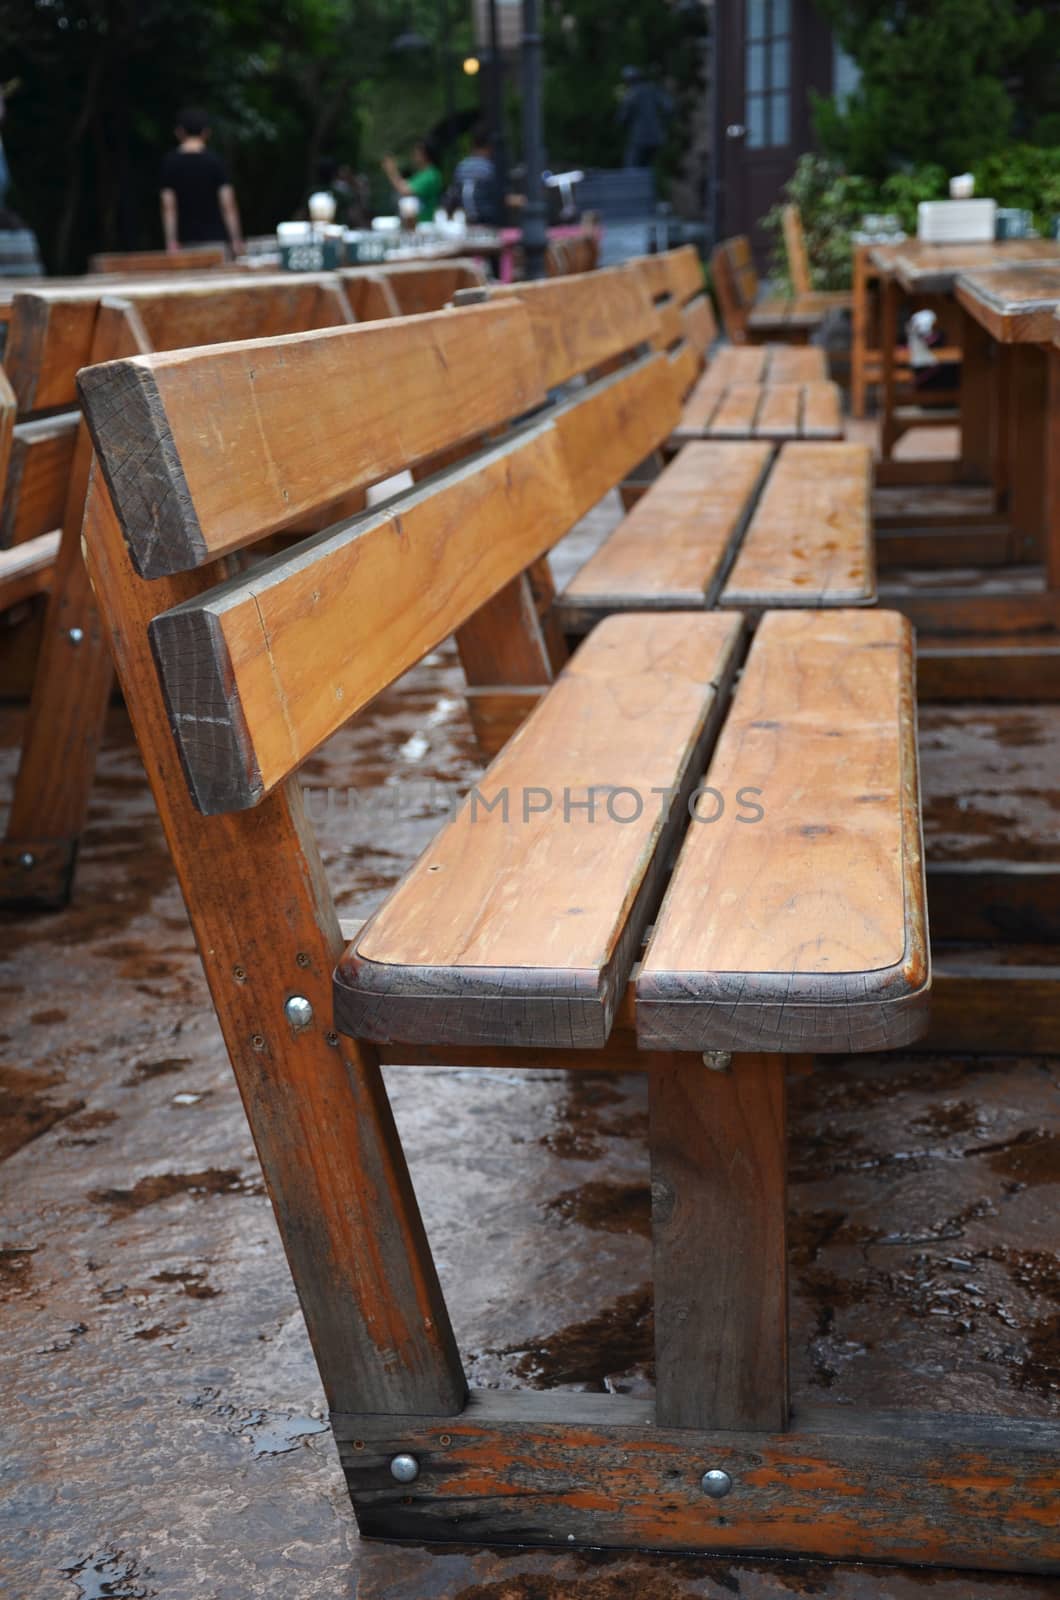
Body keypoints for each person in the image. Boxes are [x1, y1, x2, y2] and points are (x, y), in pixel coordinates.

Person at [160, 108, 244, 257]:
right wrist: (236, 240)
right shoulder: (215, 161)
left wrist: (171, 242)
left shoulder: (170, 163)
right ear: (206, 132)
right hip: (216, 243)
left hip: (184, 244)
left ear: (179, 132)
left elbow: (169, 207)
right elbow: (228, 205)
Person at [618, 67, 673, 169]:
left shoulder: (631, 95)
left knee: (631, 166)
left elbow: (623, 118)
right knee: (649, 168)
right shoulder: (652, 89)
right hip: (656, 137)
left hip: (639, 138)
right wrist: (663, 124)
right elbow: (669, 107)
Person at [449, 125, 501, 226]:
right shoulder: (488, 168)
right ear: (489, 146)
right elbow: (499, 197)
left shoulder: (461, 167)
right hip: (486, 220)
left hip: (465, 220)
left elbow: (455, 194)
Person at [381, 139, 443, 223]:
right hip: (414, 225)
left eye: (417, 153)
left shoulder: (431, 175)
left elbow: (404, 190)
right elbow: (402, 184)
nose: (414, 156)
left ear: (425, 155)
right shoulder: (421, 174)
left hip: (423, 225)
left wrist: (392, 171)